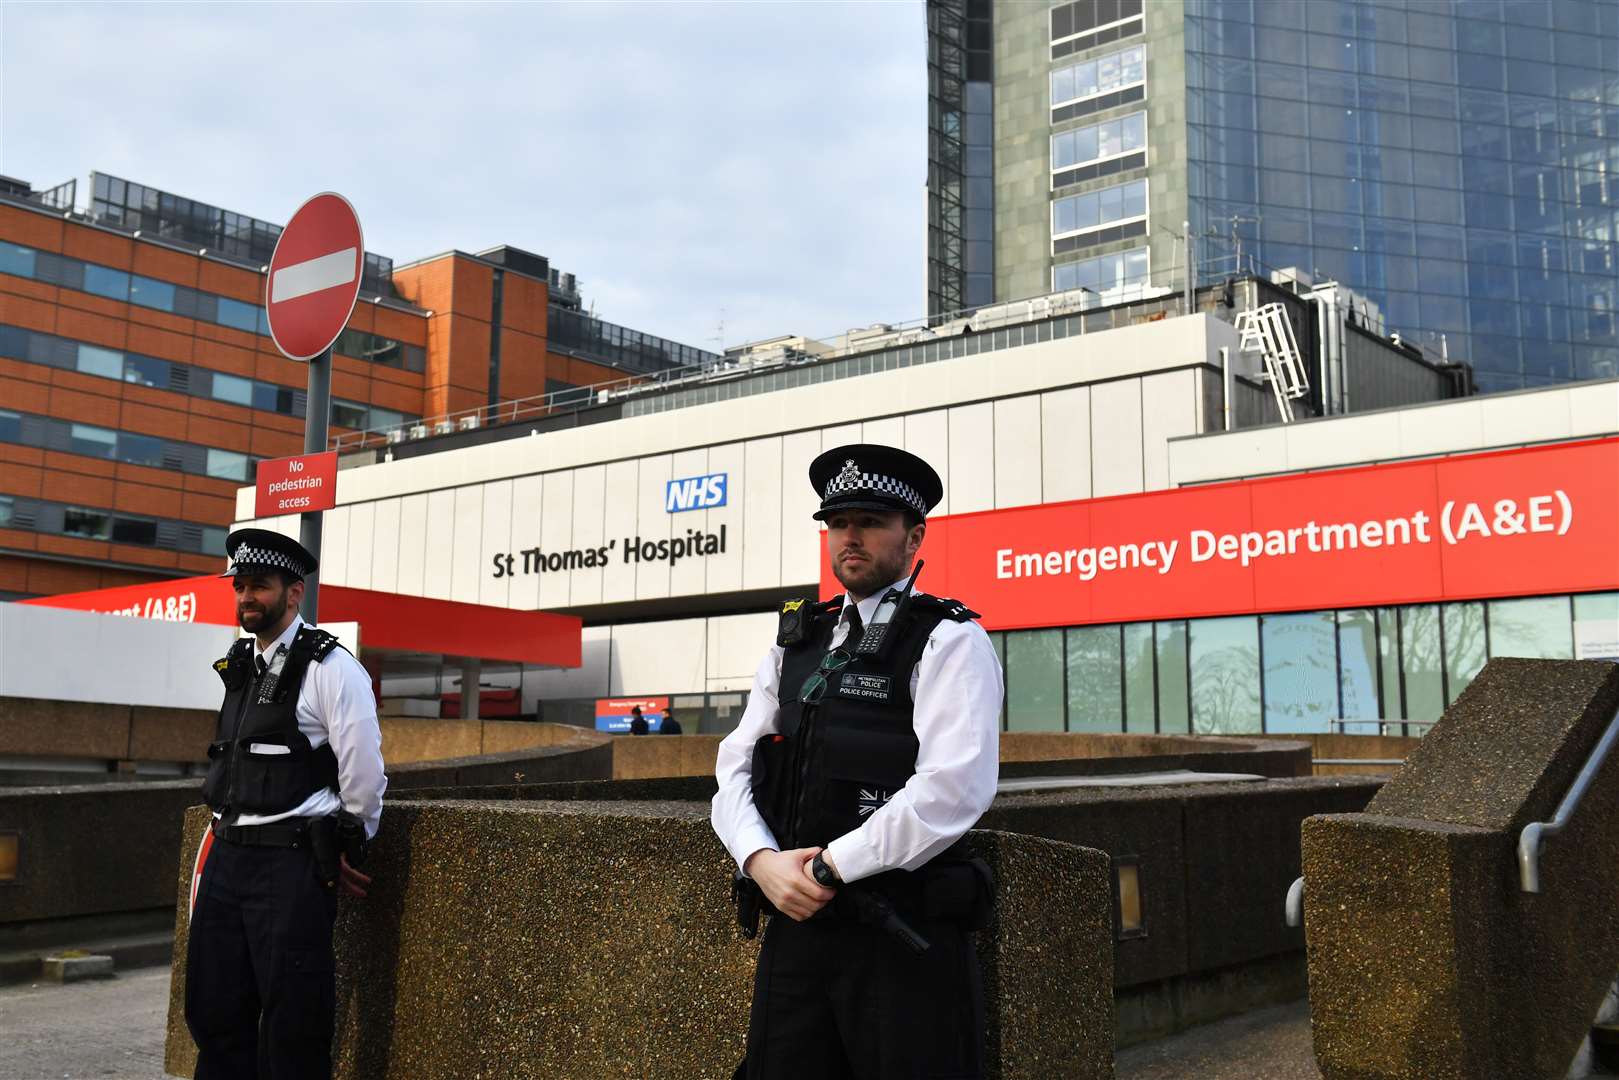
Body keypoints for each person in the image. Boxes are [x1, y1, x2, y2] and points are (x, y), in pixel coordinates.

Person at [711, 444, 1004, 1080]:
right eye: (838, 521)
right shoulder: (797, 642)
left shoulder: (950, 640)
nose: (850, 535)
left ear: (914, 534)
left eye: (870, 521)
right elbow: (733, 767)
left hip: (900, 937)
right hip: (797, 928)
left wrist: (826, 866)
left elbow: (954, 789)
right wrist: (760, 862)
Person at [185, 528, 387, 1080]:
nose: (247, 597)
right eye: (240, 586)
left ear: (294, 593)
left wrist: (351, 842)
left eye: (260, 586)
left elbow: (364, 772)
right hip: (227, 860)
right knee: (214, 1011)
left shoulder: (331, 668)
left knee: (293, 1024)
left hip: (290, 865)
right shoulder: (240, 664)